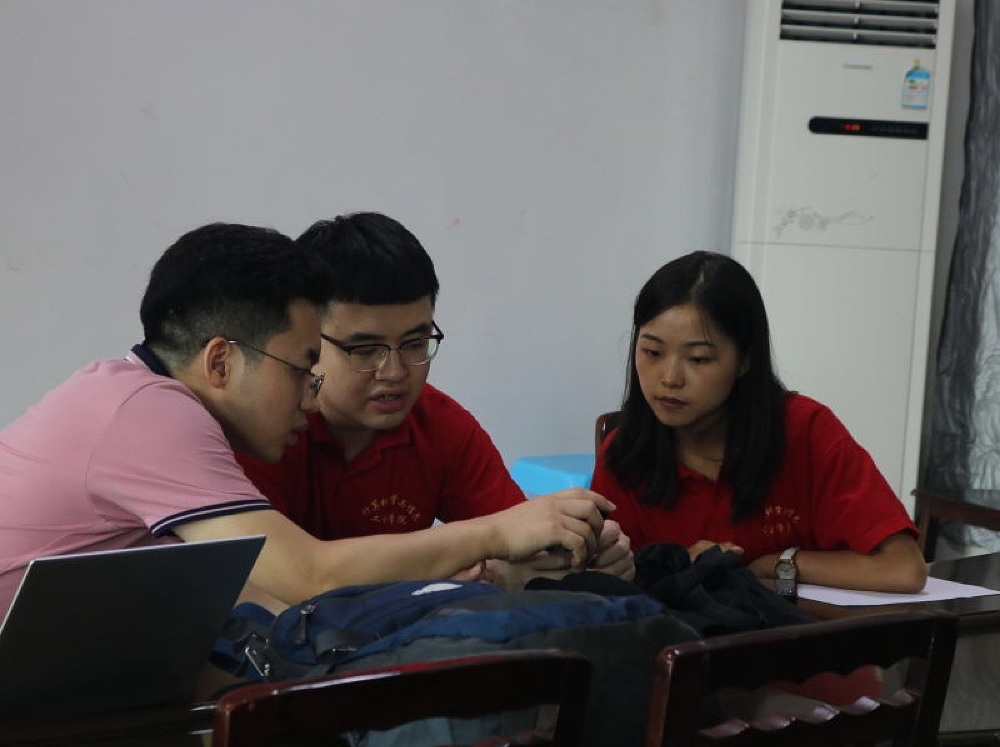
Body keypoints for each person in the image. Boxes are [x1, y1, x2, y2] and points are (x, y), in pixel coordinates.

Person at [0, 223, 614, 618]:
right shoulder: (154, 418)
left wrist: (548, 553)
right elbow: (303, 579)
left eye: (416, 343)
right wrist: (495, 536)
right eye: (302, 365)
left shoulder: (130, 397)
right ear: (221, 361)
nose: (309, 394)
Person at [235, 212, 634, 587]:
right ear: (307, 339)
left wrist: (581, 553)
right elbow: (279, 582)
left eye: (415, 343)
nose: (395, 372)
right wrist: (452, 567)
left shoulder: (439, 426)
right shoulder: (261, 431)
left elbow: (518, 541)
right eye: (366, 350)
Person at [590, 250, 927, 593]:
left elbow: (903, 568)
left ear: (745, 360)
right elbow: (607, 590)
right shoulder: (624, 453)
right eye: (652, 352)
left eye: (698, 358)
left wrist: (775, 564)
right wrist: (681, 570)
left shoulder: (804, 430)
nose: (670, 378)